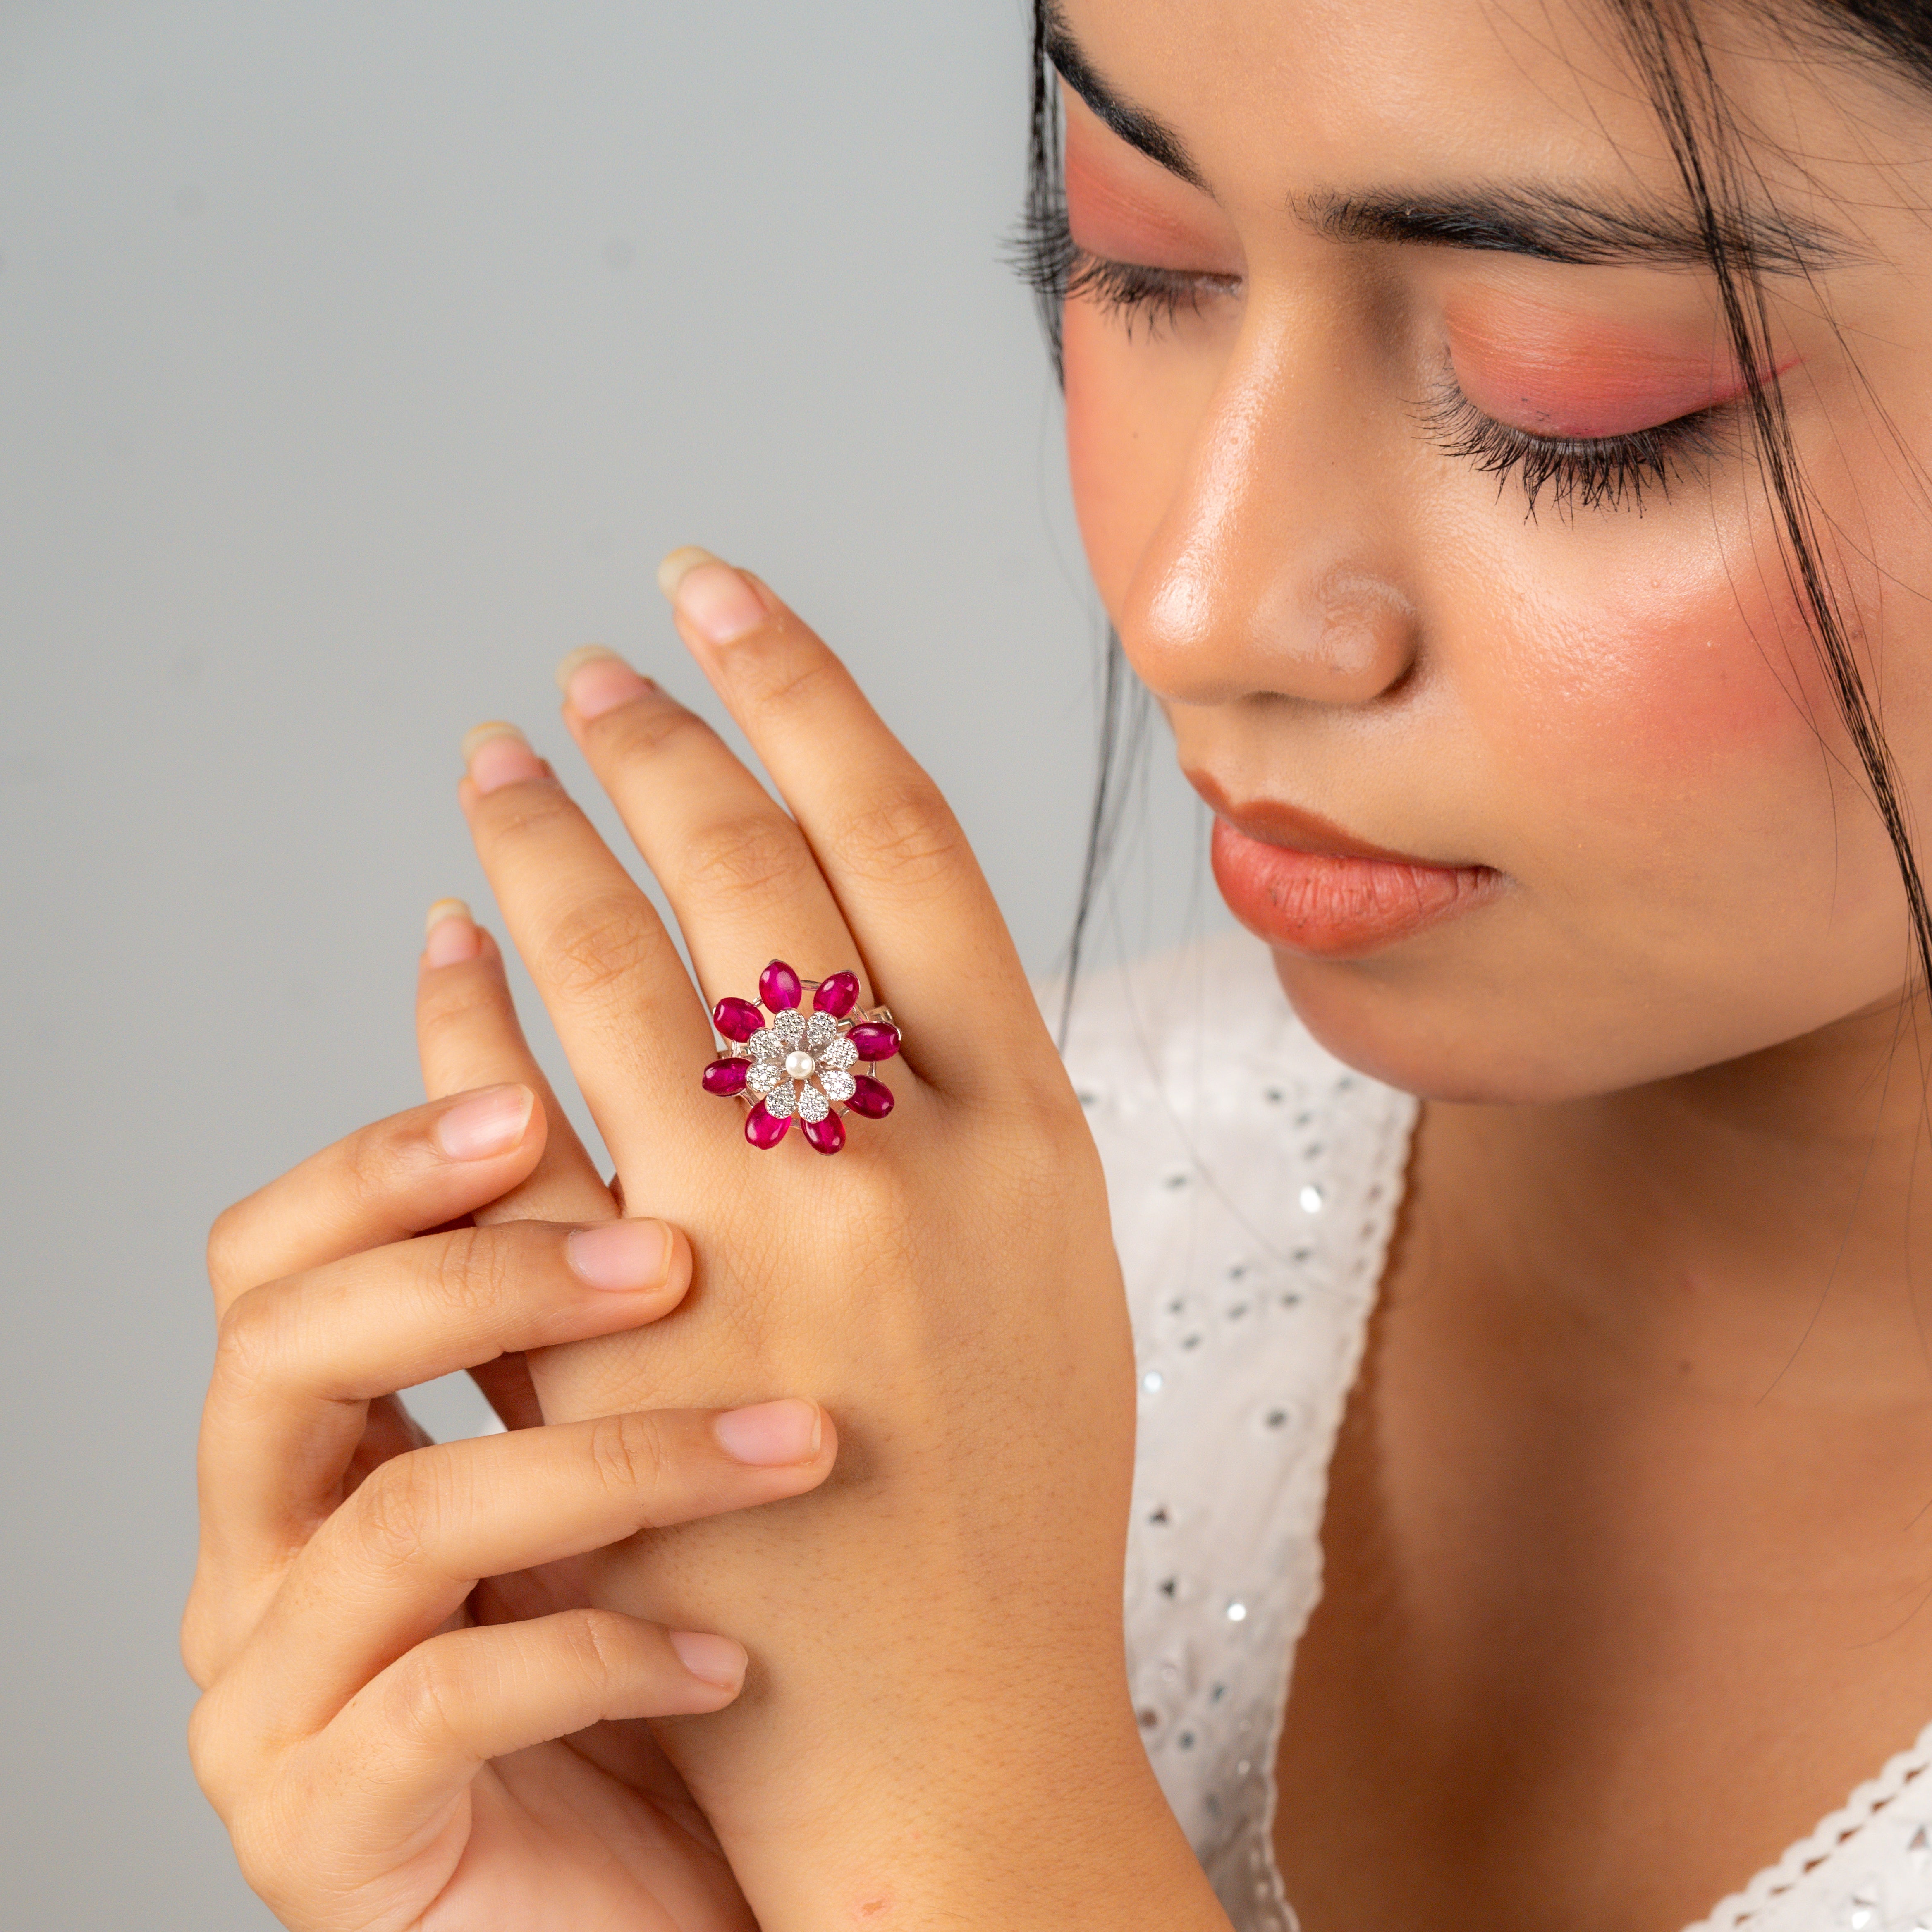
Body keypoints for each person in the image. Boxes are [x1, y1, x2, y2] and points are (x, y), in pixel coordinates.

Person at [183, 0, 1932, 1926]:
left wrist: (948, 1826)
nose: (1196, 603)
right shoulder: (939, 1280)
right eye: (1138, 259)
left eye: (1569, 404)